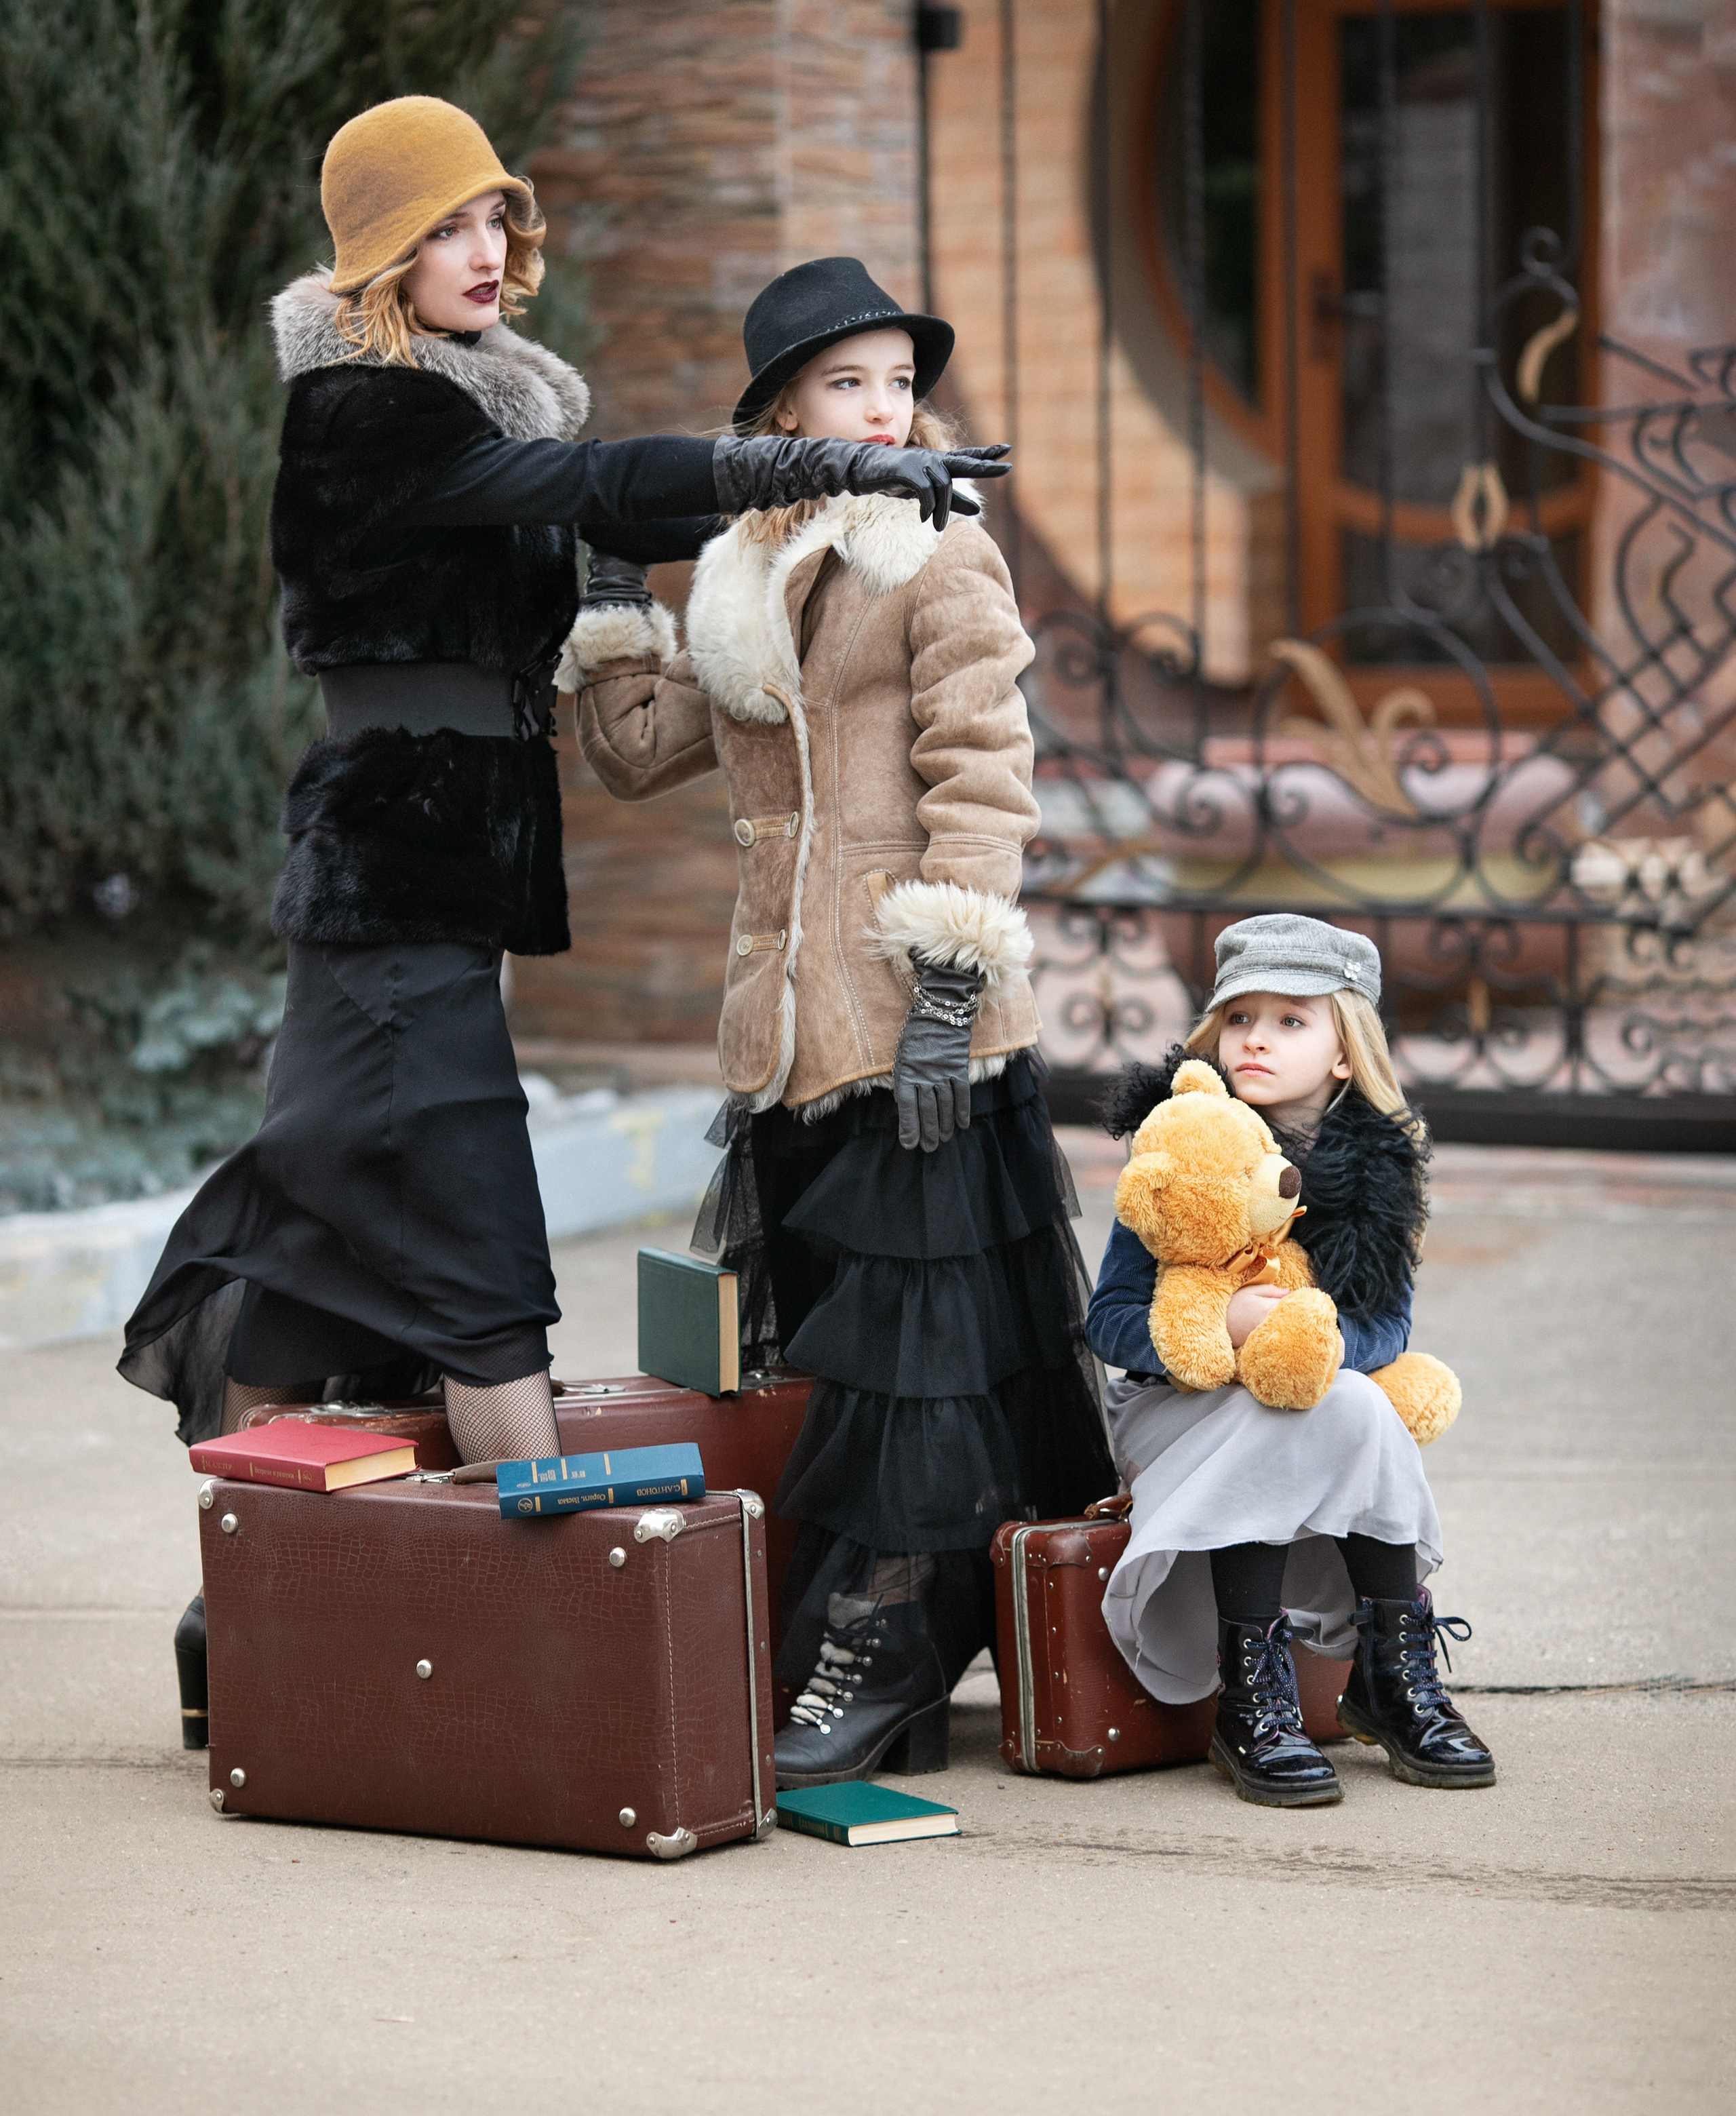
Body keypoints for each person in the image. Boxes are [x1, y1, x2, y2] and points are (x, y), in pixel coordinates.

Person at [119, 103, 1008, 1736]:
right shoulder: (361, 410)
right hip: (392, 871)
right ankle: (581, 1643)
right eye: (447, 227)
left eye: (495, 225)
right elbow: (598, 476)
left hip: (428, 883)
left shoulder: (457, 415)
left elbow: (598, 514)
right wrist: (805, 458)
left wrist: (807, 504)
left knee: (316, 1234)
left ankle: (227, 1617)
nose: (484, 254)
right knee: (473, 1236)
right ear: (380, 251)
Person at [561, 256, 1116, 1788]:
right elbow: (644, 748)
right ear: (777, 413)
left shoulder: (932, 549)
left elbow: (984, 771)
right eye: (846, 383)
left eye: (897, 382)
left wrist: (949, 981)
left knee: (912, 1360)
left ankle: (891, 1636)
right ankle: (883, 1626)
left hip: (912, 1022)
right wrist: (616, 593)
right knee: (826, 1350)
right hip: (791, 1036)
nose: (885, 408)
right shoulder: (746, 566)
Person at [1086, 914, 1494, 1806]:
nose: (1257, 1040)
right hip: (1176, 1411)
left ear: (1345, 1053)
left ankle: (1390, 1679)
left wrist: (1310, 1343)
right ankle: (1254, 1700)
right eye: (1241, 1019)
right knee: (1327, 1406)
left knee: (1349, 1397)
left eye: (1290, 1021)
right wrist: (1226, 1324)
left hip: (1308, 1404)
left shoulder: (1378, 1168)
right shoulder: (1187, 1142)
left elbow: (1387, 1324)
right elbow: (1109, 1321)